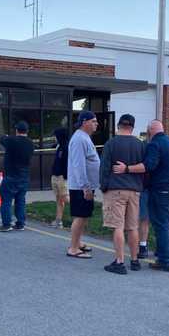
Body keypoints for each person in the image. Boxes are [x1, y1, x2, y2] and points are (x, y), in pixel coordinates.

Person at [113, 120, 169, 272]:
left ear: (150, 131)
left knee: (161, 224)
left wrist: (127, 169)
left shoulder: (154, 144)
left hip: (162, 189)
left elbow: (148, 166)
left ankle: (164, 261)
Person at [99, 114, 146, 274]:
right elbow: (144, 168)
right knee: (132, 227)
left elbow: (104, 168)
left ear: (118, 126)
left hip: (116, 189)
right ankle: (134, 260)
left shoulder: (111, 144)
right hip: (135, 190)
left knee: (117, 226)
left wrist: (104, 187)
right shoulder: (140, 145)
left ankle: (119, 262)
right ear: (132, 127)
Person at [66, 111, 100, 259]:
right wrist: (85, 187)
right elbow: (78, 165)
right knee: (80, 216)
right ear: (84, 122)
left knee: (84, 216)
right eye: (93, 121)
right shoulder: (79, 139)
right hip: (81, 187)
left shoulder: (84, 137)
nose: (96, 124)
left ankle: (78, 242)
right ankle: (73, 248)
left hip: (87, 185)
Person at [0, 121, 35, 232]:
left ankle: (6, 224)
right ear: (27, 131)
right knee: (20, 200)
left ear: (16, 130)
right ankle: (20, 223)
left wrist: (6, 136)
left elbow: (2, 139)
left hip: (11, 175)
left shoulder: (12, 140)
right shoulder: (30, 143)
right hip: (24, 175)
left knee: (6, 200)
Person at [49, 128, 69, 229]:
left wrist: (65, 176)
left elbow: (68, 163)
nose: (54, 138)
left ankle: (80, 211)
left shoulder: (66, 147)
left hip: (62, 177)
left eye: (56, 136)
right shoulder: (59, 147)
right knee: (58, 199)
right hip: (55, 176)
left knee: (65, 198)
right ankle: (58, 220)